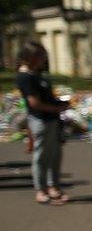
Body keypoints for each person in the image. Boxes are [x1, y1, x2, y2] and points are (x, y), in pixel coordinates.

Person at [16, 41, 70, 205]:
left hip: (52, 119)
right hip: (41, 120)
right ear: (30, 57)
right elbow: (34, 103)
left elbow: (47, 96)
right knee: (42, 156)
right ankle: (41, 189)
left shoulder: (38, 74)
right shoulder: (25, 77)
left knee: (55, 155)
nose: (43, 59)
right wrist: (55, 108)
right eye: (40, 55)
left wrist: (60, 103)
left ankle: (54, 186)